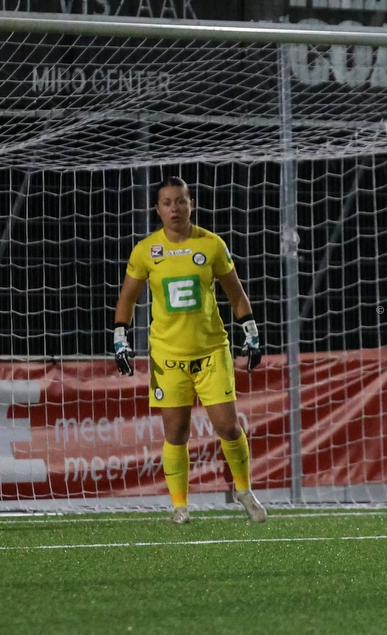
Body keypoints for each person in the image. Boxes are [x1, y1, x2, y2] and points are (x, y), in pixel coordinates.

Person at [113, 176, 267, 525]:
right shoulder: (145, 251)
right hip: (167, 357)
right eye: (167, 202)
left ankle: (243, 490)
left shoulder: (211, 245)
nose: (175, 208)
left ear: (191, 204)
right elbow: (127, 298)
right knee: (176, 433)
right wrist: (119, 340)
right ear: (158, 209)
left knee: (228, 427)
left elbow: (236, 293)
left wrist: (252, 332)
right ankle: (180, 506)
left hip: (212, 351)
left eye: (181, 201)